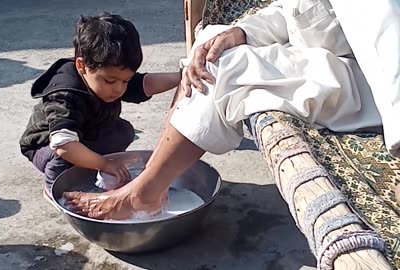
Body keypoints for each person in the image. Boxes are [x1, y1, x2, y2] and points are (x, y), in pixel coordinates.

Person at [62, 0, 400, 220]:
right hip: (331, 59)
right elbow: (298, 11)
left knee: (225, 67)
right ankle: (153, 181)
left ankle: (143, 194)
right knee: (210, 46)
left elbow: (388, 35)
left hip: (372, 83)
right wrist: (238, 32)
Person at [19, 13, 181, 201]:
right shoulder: (65, 93)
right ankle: (55, 187)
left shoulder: (110, 77)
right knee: (64, 155)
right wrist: (104, 163)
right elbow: (63, 145)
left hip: (87, 132)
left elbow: (144, 84)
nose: (119, 88)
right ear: (82, 65)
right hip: (46, 145)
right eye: (110, 80)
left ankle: (89, 162)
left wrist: (180, 77)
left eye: (125, 81)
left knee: (124, 131)